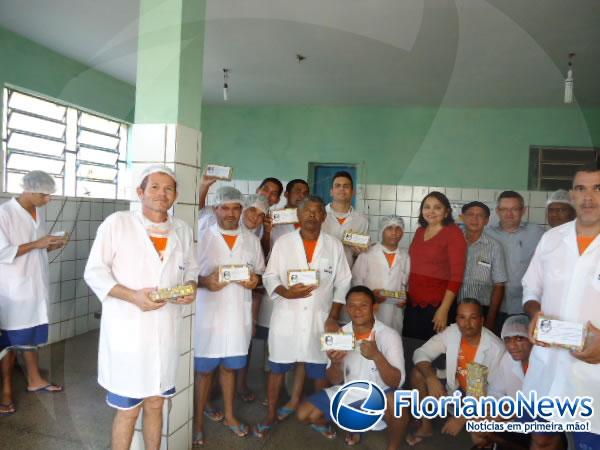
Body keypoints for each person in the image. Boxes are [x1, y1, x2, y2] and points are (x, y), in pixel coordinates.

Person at [84, 165, 199, 450]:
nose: (162, 193)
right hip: (128, 332)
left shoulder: (182, 229)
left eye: (169, 188)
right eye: (155, 187)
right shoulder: (118, 223)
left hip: (165, 332)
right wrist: (132, 296)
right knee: (128, 409)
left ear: (176, 195)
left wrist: (190, 288)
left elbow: (192, 270)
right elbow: (94, 272)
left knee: (157, 404)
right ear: (140, 192)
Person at [254, 196, 352, 438]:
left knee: (319, 369)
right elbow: (269, 276)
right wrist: (285, 291)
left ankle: (318, 416)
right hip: (287, 315)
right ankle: (270, 415)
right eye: (307, 211)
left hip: (320, 318)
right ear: (298, 215)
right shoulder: (284, 242)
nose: (311, 215)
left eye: (317, 211)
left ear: (323, 216)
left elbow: (343, 282)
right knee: (277, 367)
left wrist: (333, 317)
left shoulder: (334, 245)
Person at [522, 165, 600, 450]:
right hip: (549, 365)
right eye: (581, 188)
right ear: (572, 195)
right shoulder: (552, 239)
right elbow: (531, 288)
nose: (589, 197)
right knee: (541, 439)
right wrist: (534, 314)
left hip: (594, 374)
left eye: (598, 188)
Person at [193, 186, 265, 445]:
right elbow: (188, 276)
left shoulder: (251, 240)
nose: (231, 213)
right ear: (215, 209)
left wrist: (254, 281)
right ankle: (198, 422)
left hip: (237, 316)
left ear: (242, 210)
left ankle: (230, 416)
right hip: (208, 317)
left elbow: (259, 275)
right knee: (204, 372)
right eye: (225, 207)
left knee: (229, 369)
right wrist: (205, 281)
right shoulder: (202, 237)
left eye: (236, 208)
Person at [297, 286, 409, 448]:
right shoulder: (340, 334)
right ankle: (353, 423)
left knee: (399, 405)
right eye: (352, 305)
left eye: (363, 305)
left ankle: (392, 447)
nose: (357, 310)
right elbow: (335, 380)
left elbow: (396, 383)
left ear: (374, 307)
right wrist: (335, 362)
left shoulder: (389, 335)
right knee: (304, 415)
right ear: (346, 308)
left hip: (380, 392)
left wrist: (377, 356)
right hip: (349, 391)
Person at [0, 171, 67, 416]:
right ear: (28, 189)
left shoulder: (37, 213)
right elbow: (2, 253)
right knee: (8, 342)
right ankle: (6, 392)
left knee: (32, 335)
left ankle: (35, 379)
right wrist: (38, 244)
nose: (47, 200)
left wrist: (49, 246)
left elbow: (34, 250)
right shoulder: (4, 213)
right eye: (44, 195)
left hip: (35, 286)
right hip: (11, 288)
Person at [407, 299, 504, 446]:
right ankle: (426, 427)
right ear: (457, 319)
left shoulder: (496, 348)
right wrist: (430, 378)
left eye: (473, 317)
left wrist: (463, 417)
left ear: (482, 320)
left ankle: (485, 443)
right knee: (418, 373)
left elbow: (497, 393)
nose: (467, 323)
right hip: (455, 387)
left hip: (481, 396)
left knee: (480, 434)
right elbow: (421, 353)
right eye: (462, 317)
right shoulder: (452, 332)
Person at [255, 178, 310, 420]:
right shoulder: (275, 218)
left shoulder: (311, 219)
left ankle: (293, 396)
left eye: (305, 192)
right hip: (277, 290)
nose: (301, 195)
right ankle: (272, 394)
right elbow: (263, 252)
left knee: (301, 345)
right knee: (274, 347)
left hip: (305, 292)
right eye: (297, 190)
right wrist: (267, 231)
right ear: (287, 194)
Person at [404, 191, 467, 342]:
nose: (431, 211)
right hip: (413, 304)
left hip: (437, 307)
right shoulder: (420, 231)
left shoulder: (453, 233)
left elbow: (457, 276)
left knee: (434, 355)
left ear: (447, 212)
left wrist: (444, 310)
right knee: (411, 349)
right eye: (427, 207)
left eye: (437, 207)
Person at [470, 315, 532, 450]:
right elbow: (496, 391)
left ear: (532, 338)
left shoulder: (544, 363)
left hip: (540, 426)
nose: (512, 346)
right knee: (478, 426)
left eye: (519, 338)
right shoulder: (507, 359)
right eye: (507, 340)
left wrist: (508, 413)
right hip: (512, 418)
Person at [486, 191, 544, 319]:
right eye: (504, 209)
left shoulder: (537, 233)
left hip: (526, 306)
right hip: (493, 306)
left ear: (523, 210)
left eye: (514, 209)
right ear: (497, 211)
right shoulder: (487, 234)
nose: (509, 214)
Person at [352, 215, 410, 333]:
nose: (394, 232)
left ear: (402, 232)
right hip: (370, 309)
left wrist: (404, 299)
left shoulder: (405, 257)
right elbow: (356, 281)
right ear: (382, 230)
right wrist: (370, 296)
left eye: (398, 228)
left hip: (394, 312)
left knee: (390, 345)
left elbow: (405, 285)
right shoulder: (367, 252)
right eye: (389, 228)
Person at [458, 201, 508, 333]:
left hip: (481, 311)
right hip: (453, 308)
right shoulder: (453, 241)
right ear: (462, 217)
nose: (475, 219)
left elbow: (499, 286)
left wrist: (490, 319)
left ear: (486, 220)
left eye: (480, 216)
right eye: (470, 214)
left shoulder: (494, 247)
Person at [321, 171, 369, 268]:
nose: (342, 189)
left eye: (346, 186)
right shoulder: (319, 215)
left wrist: (360, 250)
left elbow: (360, 255)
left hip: (347, 270)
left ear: (353, 192)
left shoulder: (362, 220)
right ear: (331, 191)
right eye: (337, 185)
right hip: (320, 270)